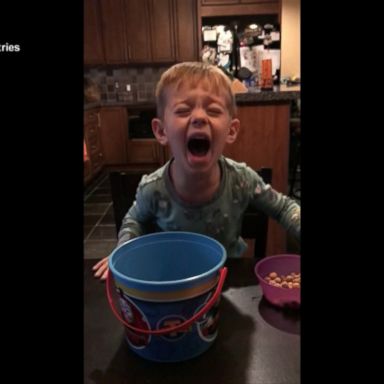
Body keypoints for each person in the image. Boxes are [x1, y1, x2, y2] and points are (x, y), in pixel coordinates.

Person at [93, 62, 300, 280]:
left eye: (213, 110)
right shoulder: (152, 189)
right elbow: (133, 221)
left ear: (231, 130)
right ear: (161, 131)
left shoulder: (242, 180)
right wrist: (122, 251)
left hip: (227, 283)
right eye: (183, 110)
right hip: (172, 283)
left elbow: (284, 208)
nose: (199, 117)